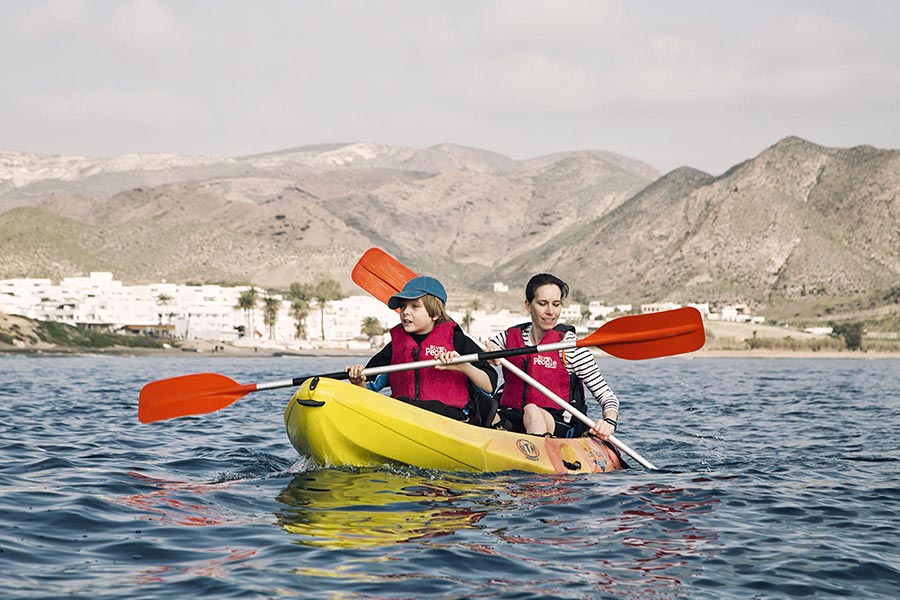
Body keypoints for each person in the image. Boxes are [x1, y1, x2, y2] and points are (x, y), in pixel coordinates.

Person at [345, 276, 498, 424]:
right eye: (403, 306)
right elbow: (368, 391)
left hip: (453, 419)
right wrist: (358, 381)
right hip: (405, 415)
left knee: (407, 406)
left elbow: (489, 386)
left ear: (436, 314)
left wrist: (464, 366)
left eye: (415, 306)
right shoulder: (396, 347)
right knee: (400, 405)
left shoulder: (458, 341)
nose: (405, 312)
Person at [486, 273, 619, 439]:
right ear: (528, 305)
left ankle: (536, 456)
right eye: (543, 304)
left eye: (556, 304)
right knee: (483, 406)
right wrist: (490, 351)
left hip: (557, 422)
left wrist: (609, 422)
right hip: (512, 417)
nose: (550, 311)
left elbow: (607, 397)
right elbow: (487, 348)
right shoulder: (508, 338)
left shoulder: (571, 348)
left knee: (532, 410)